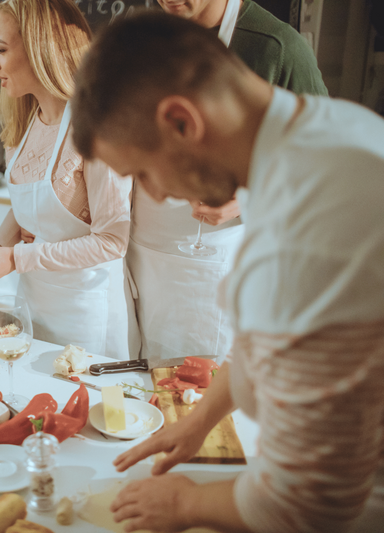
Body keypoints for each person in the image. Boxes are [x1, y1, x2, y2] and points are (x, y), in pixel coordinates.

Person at [72, 12, 383, 532]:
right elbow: (266, 342)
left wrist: (183, 504)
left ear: (181, 121)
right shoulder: (328, 134)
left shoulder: (313, 222)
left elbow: (308, 503)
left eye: (142, 172)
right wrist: (197, 421)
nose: (153, 195)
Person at [126, 0, 328, 361]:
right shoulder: (147, 38)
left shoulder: (276, 47)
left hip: (218, 265)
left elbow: (324, 166)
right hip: (143, 259)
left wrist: (248, 198)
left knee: (200, 392)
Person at [0, 0, 134, 358]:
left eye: (1, 49)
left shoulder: (96, 127)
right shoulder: (26, 121)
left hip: (87, 314)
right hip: (34, 304)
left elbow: (112, 241)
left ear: (39, 49)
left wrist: (16, 259)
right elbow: (26, 208)